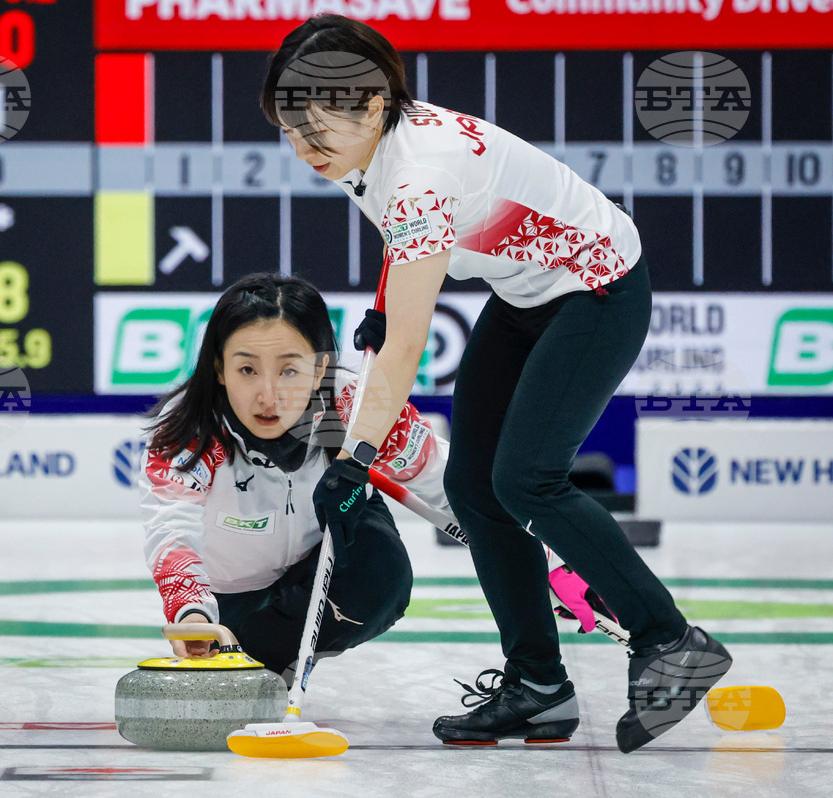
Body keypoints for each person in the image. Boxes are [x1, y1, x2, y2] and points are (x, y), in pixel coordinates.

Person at [262, 14, 731, 753]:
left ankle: (670, 640)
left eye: (314, 132)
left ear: (374, 104)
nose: (302, 150)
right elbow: (401, 252)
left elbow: (407, 347)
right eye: (290, 132)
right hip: (526, 293)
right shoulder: (369, 144)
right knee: (475, 488)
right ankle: (538, 686)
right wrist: (386, 304)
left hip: (597, 290)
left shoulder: (421, 175)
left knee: (526, 480)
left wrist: (354, 461)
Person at [138, 273, 447, 685]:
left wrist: (523, 539)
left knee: (379, 573)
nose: (268, 396)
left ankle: (265, 656)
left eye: (289, 371)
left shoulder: (356, 407)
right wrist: (192, 610)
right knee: (224, 641)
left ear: (320, 369)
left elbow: (450, 480)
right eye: (247, 369)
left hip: (329, 548)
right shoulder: (189, 428)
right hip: (232, 593)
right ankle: (244, 652)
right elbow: (172, 528)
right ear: (219, 367)